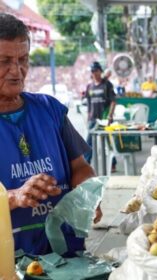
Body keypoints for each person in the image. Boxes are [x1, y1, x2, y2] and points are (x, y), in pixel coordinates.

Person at [0, 13, 102, 256]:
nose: (16, 70)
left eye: (23, 59)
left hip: (66, 257)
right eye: (4, 61)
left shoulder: (50, 109)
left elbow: (80, 167)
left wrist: (88, 193)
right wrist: (14, 197)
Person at [83, 61, 116, 169]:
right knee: (88, 143)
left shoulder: (106, 85)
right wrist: (88, 116)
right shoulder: (89, 86)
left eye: (96, 71)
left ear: (100, 71)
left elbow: (113, 101)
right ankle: (86, 165)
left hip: (104, 119)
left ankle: (113, 163)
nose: (95, 73)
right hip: (93, 119)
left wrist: (110, 115)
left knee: (108, 142)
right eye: (93, 71)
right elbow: (88, 102)